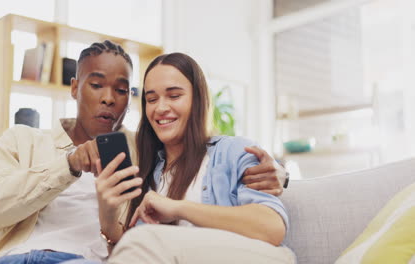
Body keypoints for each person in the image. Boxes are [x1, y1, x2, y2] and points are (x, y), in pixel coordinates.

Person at [0, 41, 287, 264]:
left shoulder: (144, 153)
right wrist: (69, 165)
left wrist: (280, 175)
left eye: (121, 90)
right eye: (97, 85)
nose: (109, 98)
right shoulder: (22, 140)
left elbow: (204, 154)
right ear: (74, 87)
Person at [89, 52, 295, 264]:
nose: (160, 108)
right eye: (151, 99)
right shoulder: (150, 173)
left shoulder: (233, 150)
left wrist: (177, 208)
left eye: (174, 96)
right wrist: (107, 215)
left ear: (198, 99)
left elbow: (272, 228)